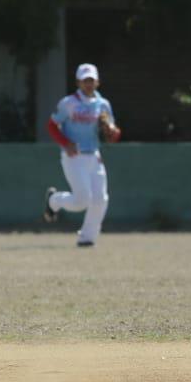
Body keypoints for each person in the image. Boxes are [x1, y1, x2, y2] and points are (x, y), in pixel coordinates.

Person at [42, 62, 121, 247]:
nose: (88, 84)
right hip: (74, 156)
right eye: (85, 80)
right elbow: (52, 126)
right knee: (82, 201)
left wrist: (112, 132)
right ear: (78, 82)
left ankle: (87, 238)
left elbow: (113, 134)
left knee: (100, 199)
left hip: (94, 155)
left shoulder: (103, 104)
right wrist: (65, 143)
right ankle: (54, 200)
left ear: (97, 82)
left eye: (91, 80)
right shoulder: (68, 103)